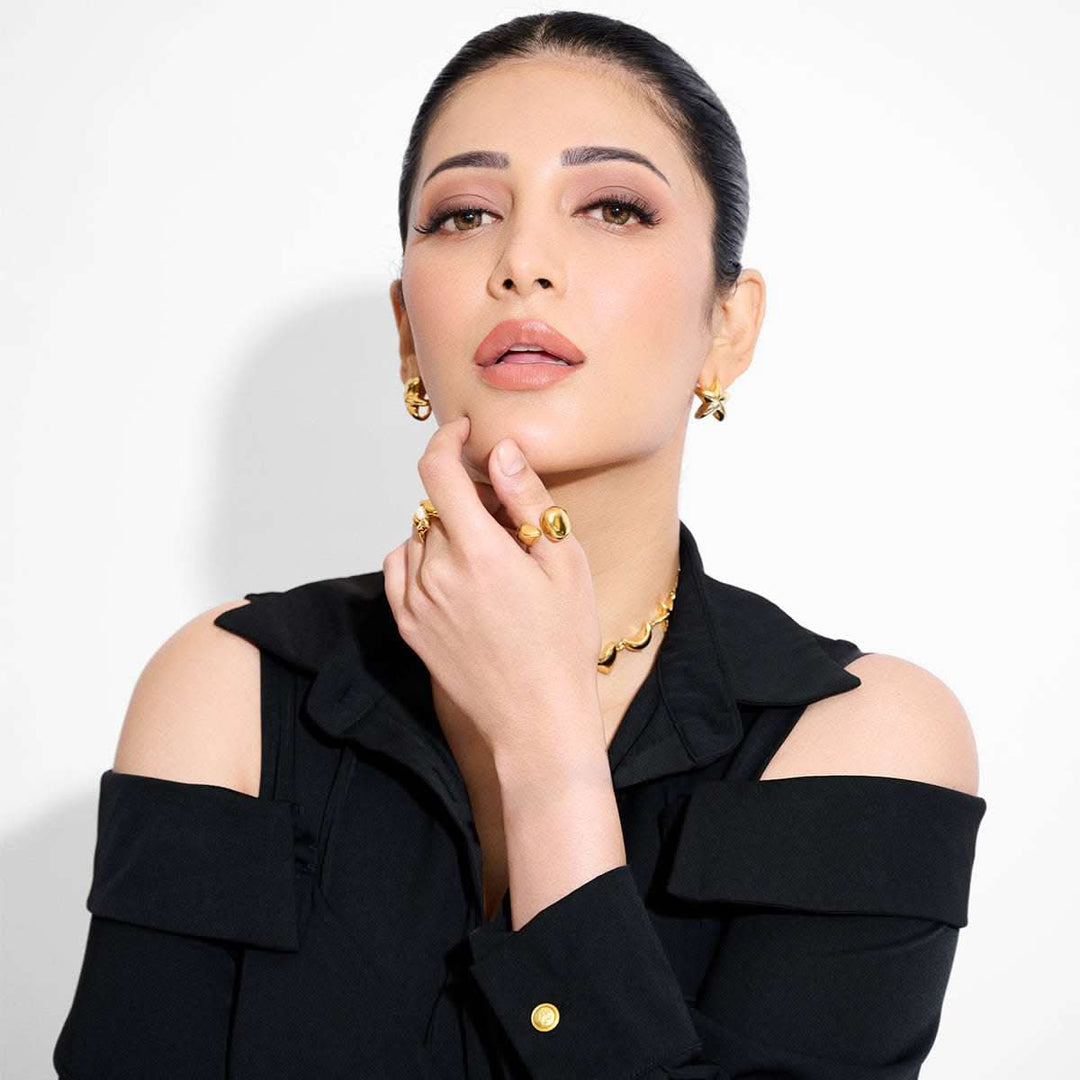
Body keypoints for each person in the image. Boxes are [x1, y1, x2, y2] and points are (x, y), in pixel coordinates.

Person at [53, 11, 985, 1079]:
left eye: (614, 208)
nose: (523, 262)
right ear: (408, 332)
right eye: (464, 215)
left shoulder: (865, 734)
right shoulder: (227, 690)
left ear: (728, 327)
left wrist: (548, 751)